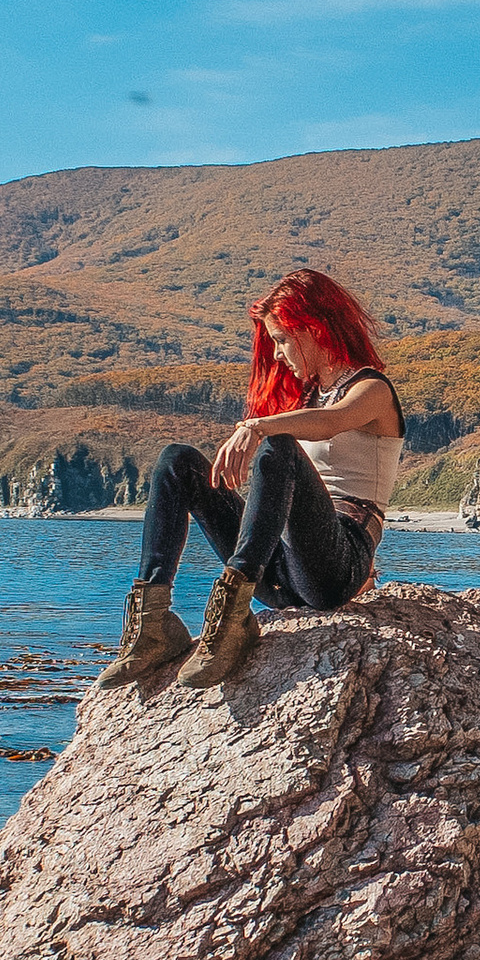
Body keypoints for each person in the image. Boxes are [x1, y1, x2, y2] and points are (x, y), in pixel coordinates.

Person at [97, 266, 405, 695]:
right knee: (177, 461)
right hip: (281, 574)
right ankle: (153, 623)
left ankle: (231, 615)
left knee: (279, 446)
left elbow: (332, 422)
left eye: (282, 339)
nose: (277, 354)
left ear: (314, 328)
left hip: (336, 568)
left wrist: (258, 427)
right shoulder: (308, 394)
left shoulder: (373, 390)